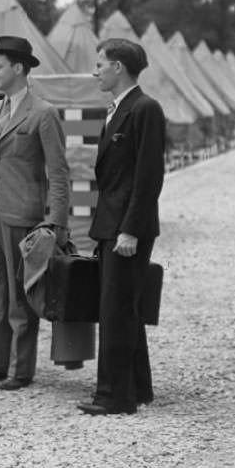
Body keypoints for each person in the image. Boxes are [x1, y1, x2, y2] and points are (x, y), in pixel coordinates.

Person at [0, 36, 69, 391]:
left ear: (19, 68)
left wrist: (57, 223)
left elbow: (59, 172)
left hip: (23, 215)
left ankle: (21, 370)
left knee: (22, 294)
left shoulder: (44, 113)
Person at [77, 37, 165, 415]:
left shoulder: (145, 109)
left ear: (118, 67)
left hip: (127, 227)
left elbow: (148, 176)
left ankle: (114, 396)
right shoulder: (116, 109)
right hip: (110, 223)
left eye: (100, 64)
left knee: (116, 309)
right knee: (123, 306)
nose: (95, 70)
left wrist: (130, 229)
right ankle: (138, 387)